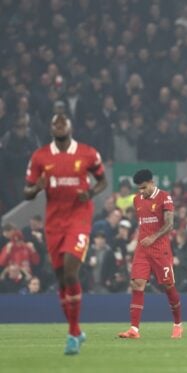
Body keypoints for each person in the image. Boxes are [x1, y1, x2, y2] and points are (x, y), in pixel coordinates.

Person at [24, 113, 107, 355]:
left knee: (71, 271)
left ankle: (72, 335)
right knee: (61, 279)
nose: (59, 126)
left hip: (79, 219)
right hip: (54, 223)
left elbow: (102, 181)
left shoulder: (88, 153)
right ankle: (76, 331)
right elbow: (26, 192)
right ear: (51, 129)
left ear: (70, 126)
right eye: (55, 123)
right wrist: (36, 188)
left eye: (63, 122)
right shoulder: (40, 156)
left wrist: (90, 193)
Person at [118, 169, 183, 339]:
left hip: (160, 249)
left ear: (152, 182)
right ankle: (134, 329)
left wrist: (153, 237)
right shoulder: (137, 200)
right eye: (139, 188)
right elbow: (143, 224)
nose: (141, 192)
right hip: (142, 249)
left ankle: (177, 324)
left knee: (168, 286)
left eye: (144, 187)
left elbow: (170, 225)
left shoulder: (164, 197)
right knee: (137, 284)